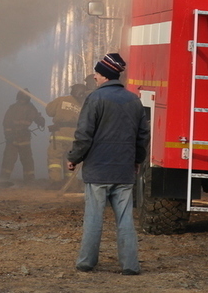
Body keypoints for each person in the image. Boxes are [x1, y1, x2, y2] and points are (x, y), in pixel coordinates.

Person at [67, 53, 149, 275]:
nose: (94, 76)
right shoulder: (134, 100)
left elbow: (84, 134)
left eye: (96, 72)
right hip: (123, 171)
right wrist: (137, 161)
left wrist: (74, 158)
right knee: (125, 220)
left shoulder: (94, 99)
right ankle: (130, 265)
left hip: (98, 171)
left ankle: (86, 262)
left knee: (94, 217)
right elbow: (143, 136)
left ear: (104, 75)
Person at [45, 83, 87, 184]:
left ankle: (55, 182)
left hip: (60, 135)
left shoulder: (61, 100)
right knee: (70, 161)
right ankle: (71, 184)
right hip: (74, 138)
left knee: (55, 159)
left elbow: (49, 111)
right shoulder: (82, 107)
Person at [0, 89, 45, 182]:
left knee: (27, 159)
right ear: (18, 98)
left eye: (24, 98)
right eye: (21, 98)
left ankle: (29, 179)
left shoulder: (31, 108)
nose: (22, 100)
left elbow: (36, 117)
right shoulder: (13, 108)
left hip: (24, 137)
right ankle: (4, 178)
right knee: (9, 158)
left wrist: (41, 120)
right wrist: (8, 135)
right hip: (13, 138)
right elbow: (6, 123)